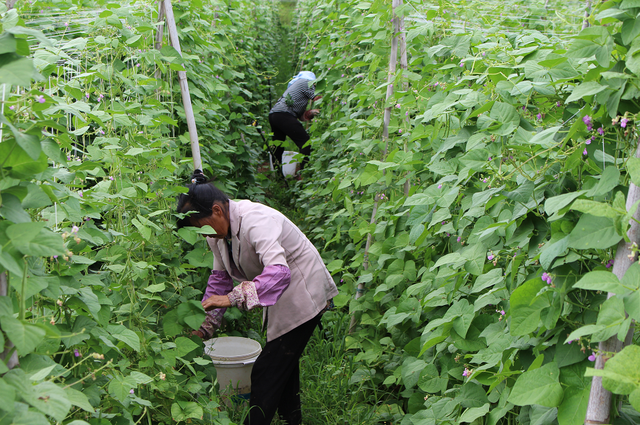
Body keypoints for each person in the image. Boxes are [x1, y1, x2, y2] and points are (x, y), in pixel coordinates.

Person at [176, 170, 338, 425]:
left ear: (217, 211)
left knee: (267, 370)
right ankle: (290, 420)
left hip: (302, 287)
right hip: (278, 291)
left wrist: (232, 299)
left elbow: (279, 272)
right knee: (284, 363)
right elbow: (220, 279)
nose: (204, 235)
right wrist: (204, 328)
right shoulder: (217, 235)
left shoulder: (256, 220)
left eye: (202, 227)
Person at [268, 71, 322, 175]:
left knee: (278, 147)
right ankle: (302, 174)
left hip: (274, 115)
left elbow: (301, 117)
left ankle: (278, 177)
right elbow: (318, 98)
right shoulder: (306, 82)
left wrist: (311, 112)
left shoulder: (295, 89)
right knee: (305, 142)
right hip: (284, 115)